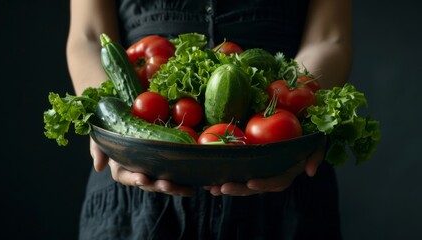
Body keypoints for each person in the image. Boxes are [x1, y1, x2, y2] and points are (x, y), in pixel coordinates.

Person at [66, 0, 352, 239]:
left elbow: (328, 37)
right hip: (133, 182)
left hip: (285, 181)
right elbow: (88, 35)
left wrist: (299, 122)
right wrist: (111, 128)